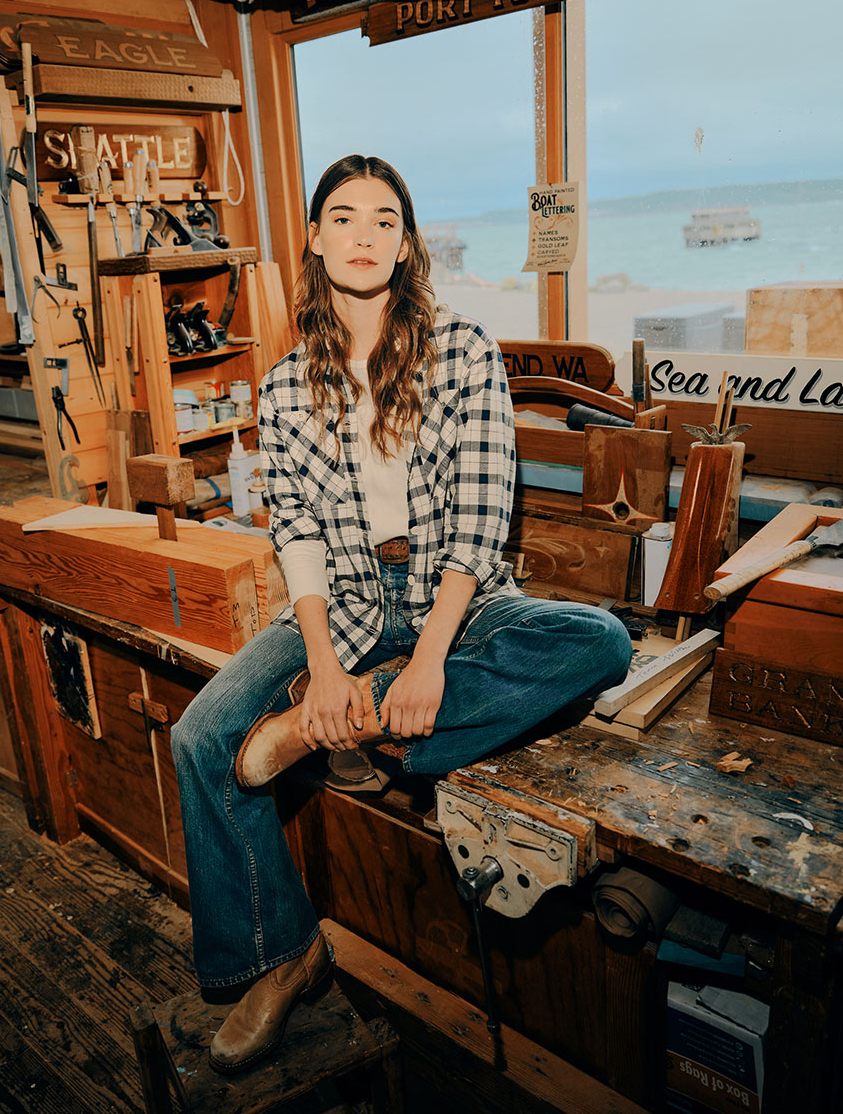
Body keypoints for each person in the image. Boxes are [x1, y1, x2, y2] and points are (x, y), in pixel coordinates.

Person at [168, 154, 631, 1073]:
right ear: (314, 238)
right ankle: (282, 953)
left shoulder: (463, 350)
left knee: (600, 642)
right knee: (199, 736)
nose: (365, 236)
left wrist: (420, 669)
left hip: (450, 599)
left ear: (408, 242)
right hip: (342, 602)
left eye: (385, 219)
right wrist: (327, 666)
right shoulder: (291, 382)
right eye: (344, 217)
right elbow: (294, 529)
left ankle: (358, 730)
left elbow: (479, 515)